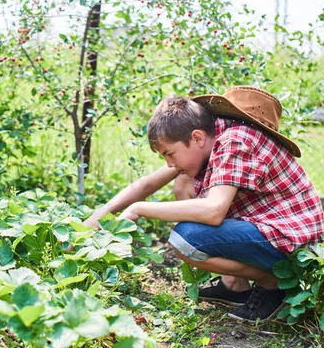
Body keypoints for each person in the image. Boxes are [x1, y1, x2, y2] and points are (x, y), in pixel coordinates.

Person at [84, 86, 323, 322]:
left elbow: (214, 211)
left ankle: (272, 282)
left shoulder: (237, 139)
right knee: (183, 182)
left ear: (197, 137)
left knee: (187, 237)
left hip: (294, 241)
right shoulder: (212, 138)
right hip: (271, 230)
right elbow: (146, 185)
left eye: (169, 154)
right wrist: (90, 225)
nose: (168, 163)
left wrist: (139, 209)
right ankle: (235, 286)